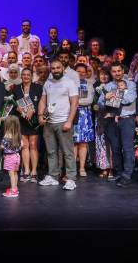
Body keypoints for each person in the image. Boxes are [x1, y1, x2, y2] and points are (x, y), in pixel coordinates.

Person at [37, 60, 79, 190]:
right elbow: (43, 101)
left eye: (58, 68)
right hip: (49, 122)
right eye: (53, 68)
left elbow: (75, 103)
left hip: (63, 122)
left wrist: (69, 121)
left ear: (63, 69)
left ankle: (71, 179)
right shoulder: (48, 83)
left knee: (68, 152)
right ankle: (53, 176)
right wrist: (40, 115)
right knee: (51, 152)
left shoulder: (69, 83)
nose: (56, 70)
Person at [100, 62, 137, 187]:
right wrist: (105, 97)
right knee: (115, 148)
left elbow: (129, 99)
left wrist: (113, 97)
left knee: (127, 148)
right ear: (111, 73)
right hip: (112, 120)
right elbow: (100, 103)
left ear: (123, 71)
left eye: (119, 71)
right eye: (114, 71)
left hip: (127, 119)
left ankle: (127, 175)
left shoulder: (130, 84)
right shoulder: (108, 85)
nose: (117, 73)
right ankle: (120, 173)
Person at [12, 68, 42, 182]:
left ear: (31, 76)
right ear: (21, 76)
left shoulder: (37, 88)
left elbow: (41, 102)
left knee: (33, 145)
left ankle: (34, 171)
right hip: (22, 120)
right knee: (24, 146)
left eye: (28, 75)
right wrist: (17, 108)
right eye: (23, 75)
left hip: (33, 120)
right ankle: (26, 171)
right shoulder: (16, 88)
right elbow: (14, 104)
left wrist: (32, 110)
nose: (26, 77)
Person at [93, 68, 114, 178]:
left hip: (110, 115)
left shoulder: (112, 86)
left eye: (106, 74)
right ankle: (104, 167)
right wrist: (94, 105)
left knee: (110, 141)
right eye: (101, 74)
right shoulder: (96, 88)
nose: (104, 76)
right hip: (100, 116)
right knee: (101, 141)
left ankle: (112, 167)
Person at [75, 63, 95, 177]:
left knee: (83, 143)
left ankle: (82, 168)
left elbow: (89, 100)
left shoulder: (88, 85)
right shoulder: (70, 83)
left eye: (83, 71)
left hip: (84, 115)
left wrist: (75, 102)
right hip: (72, 114)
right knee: (73, 143)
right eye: (79, 71)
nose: (81, 73)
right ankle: (72, 168)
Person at [1, 115, 24, 197]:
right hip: (17, 156)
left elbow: (2, 146)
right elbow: (22, 145)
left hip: (10, 157)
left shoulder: (7, 135)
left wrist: (4, 146)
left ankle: (13, 191)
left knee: (11, 174)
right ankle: (15, 187)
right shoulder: (18, 135)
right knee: (15, 173)